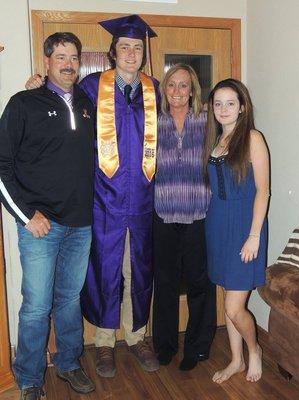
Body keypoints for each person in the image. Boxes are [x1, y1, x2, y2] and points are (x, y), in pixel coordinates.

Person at [25, 15, 160, 378]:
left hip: (143, 199)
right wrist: (37, 86)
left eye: (137, 48)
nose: (131, 53)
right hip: (103, 199)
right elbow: (59, 105)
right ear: (114, 52)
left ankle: (136, 336)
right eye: (125, 47)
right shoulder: (90, 86)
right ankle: (103, 343)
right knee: (106, 270)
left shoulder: (154, 89)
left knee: (138, 269)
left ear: (143, 54)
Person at [0, 33, 96, 399]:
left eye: (74, 56)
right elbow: (2, 166)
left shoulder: (87, 105)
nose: (68, 63)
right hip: (41, 227)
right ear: (47, 61)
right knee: (37, 306)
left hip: (81, 223)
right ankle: (29, 378)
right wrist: (27, 216)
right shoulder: (24, 103)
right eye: (60, 56)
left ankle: (69, 363)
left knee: (69, 301)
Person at [203, 78, 269, 383]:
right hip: (217, 225)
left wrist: (254, 236)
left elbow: (263, 191)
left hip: (245, 227)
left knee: (234, 306)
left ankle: (254, 350)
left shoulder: (253, 138)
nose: (224, 109)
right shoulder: (215, 142)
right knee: (227, 298)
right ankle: (236, 360)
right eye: (218, 103)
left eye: (230, 103)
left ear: (242, 107)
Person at [152, 63, 216, 371]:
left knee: (198, 284)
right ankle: (164, 346)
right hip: (163, 216)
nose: (177, 91)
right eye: (172, 85)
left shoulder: (206, 122)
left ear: (193, 91)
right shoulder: (153, 123)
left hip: (198, 216)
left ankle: (197, 347)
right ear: (164, 89)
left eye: (184, 85)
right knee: (164, 284)